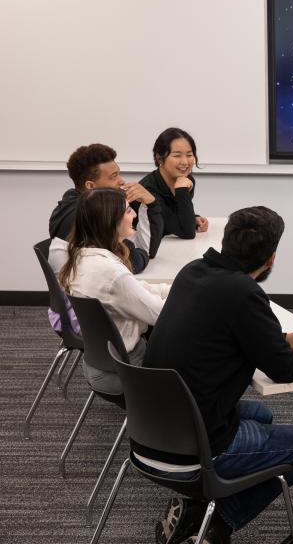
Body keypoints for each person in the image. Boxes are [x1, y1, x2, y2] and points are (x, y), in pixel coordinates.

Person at [143, 206, 293, 544]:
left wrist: (286, 338)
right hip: (196, 447)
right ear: (271, 256)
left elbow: (226, 334)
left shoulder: (193, 272)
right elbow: (285, 370)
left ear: (226, 239)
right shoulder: (243, 292)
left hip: (152, 430)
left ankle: (193, 511)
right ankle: (217, 523)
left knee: (260, 415)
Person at [58, 188, 170, 394]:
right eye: (128, 211)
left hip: (101, 363)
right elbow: (160, 315)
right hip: (127, 368)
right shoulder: (111, 273)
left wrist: (175, 290)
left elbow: (137, 290)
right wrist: (194, 301)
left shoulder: (82, 256)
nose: (134, 214)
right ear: (111, 221)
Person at [49, 143, 163, 274]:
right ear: (90, 186)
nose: (122, 181)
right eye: (113, 177)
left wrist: (150, 203)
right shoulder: (91, 215)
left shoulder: (71, 203)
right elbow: (134, 262)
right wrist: (142, 252)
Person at [140, 127, 208, 242]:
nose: (185, 162)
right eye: (177, 155)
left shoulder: (185, 180)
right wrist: (182, 191)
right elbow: (187, 233)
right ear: (159, 158)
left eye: (189, 155)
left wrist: (193, 218)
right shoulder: (149, 189)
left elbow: (173, 215)